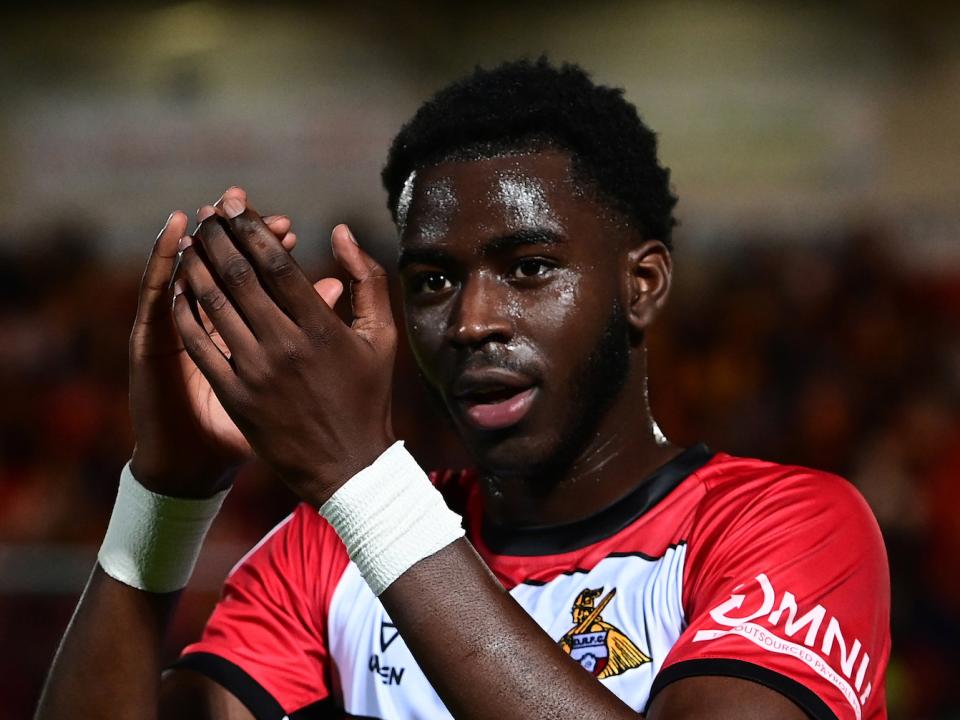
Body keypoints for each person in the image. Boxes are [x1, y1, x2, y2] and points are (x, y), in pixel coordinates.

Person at [35, 58, 890, 720]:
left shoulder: (789, 527)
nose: (473, 319)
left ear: (643, 285)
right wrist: (166, 494)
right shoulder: (322, 556)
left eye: (528, 268)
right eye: (434, 280)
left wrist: (365, 486)